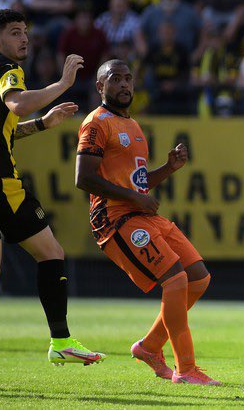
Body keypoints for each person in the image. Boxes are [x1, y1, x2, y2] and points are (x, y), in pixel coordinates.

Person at [0, 9, 104, 385]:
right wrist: (63, 82)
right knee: (51, 254)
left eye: (26, 32)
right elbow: (17, 103)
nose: (25, 39)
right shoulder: (2, 66)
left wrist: (44, 124)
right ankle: (61, 340)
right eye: (15, 33)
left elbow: (0, 132)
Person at [75, 59, 219, 386]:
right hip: (116, 218)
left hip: (141, 213)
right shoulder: (96, 123)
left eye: (128, 79)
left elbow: (137, 184)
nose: (125, 85)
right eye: (115, 79)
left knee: (198, 277)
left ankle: (150, 347)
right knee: (176, 279)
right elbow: (83, 178)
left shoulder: (133, 126)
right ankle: (186, 369)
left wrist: (167, 169)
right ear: (100, 87)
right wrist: (134, 197)